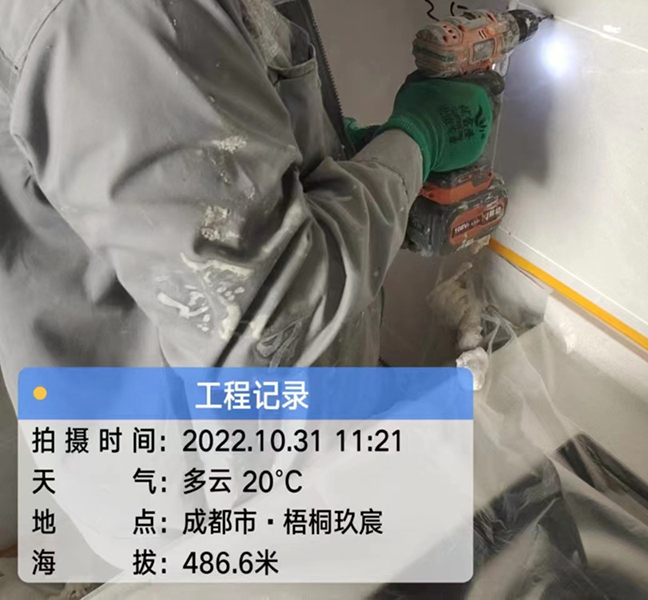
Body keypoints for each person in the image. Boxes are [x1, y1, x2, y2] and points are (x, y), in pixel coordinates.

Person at [0, 0, 493, 400]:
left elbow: (209, 163)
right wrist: (414, 145)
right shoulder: (118, 19)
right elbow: (274, 338)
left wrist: (351, 165)